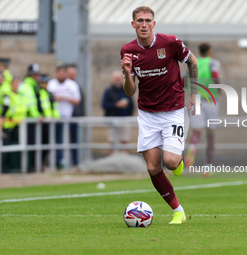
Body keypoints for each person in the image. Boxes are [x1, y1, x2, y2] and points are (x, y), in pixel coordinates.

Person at [120, 6, 198, 224]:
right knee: (153, 167)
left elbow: (192, 61)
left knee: (171, 162)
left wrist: (195, 93)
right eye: (139, 21)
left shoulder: (170, 43)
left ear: (154, 24)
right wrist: (127, 73)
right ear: (133, 24)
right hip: (147, 114)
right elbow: (130, 91)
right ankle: (178, 211)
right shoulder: (128, 51)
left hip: (173, 111)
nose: (143, 24)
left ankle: (178, 158)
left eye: (147, 20)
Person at [185, 43, 221, 176]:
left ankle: (193, 146)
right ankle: (208, 166)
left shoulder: (192, 62)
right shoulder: (213, 62)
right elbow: (215, 74)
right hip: (211, 98)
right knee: (210, 133)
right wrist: (219, 87)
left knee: (196, 131)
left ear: (199, 52)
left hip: (196, 98)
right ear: (210, 51)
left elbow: (183, 80)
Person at [47, 65, 81, 169]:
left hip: (68, 117)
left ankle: (74, 163)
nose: (60, 75)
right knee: (57, 141)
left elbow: (77, 100)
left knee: (72, 141)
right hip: (55, 117)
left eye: (62, 72)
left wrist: (65, 98)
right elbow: (46, 98)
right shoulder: (51, 84)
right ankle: (58, 163)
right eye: (58, 72)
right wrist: (54, 100)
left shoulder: (72, 85)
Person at [0, 76, 28, 173]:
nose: (16, 86)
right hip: (8, 124)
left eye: (17, 84)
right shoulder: (8, 95)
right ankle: (4, 168)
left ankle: (16, 167)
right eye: (14, 83)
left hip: (18, 124)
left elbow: (23, 108)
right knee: (5, 147)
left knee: (18, 146)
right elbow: (8, 108)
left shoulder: (21, 95)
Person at [18, 63, 43, 172]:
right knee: (29, 144)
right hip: (28, 120)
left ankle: (33, 166)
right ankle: (28, 167)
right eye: (34, 75)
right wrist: (37, 116)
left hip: (32, 120)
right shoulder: (26, 86)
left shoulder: (34, 86)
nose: (37, 77)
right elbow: (31, 105)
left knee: (34, 144)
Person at [102, 70, 134, 154]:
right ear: (112, 79)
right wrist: (116, 105)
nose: (117, 80)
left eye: (119, 78)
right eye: (116, 79)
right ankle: (112, 158)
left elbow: (131, 104)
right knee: (112, 141)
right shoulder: (108, 91)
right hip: (112, 120)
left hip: (124, 119)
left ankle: (124, 158)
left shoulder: (126, 90)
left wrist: (128, 115)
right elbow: (104, 105)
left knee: (124, 140)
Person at [39, 74, 60, 166]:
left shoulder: (50, 94)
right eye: (43, 82)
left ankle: (43, 163)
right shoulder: (38, 93)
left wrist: (56, 117)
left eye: (46, 82)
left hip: (50, 123)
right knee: (40, 144)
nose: (45, 84)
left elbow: (54, 108)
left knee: (48, 145)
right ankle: (38, 164)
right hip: (41, 123)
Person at [67, 65, 84, 165]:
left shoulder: (77, 86)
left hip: (76, 118)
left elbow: (81, 103)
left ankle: (75, 162)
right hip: (65, 118)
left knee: (75, 141)